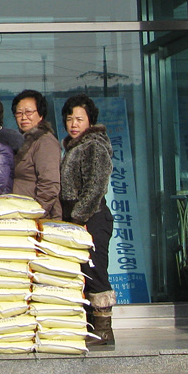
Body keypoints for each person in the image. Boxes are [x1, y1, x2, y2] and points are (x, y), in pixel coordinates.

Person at [60, 93, 116, 345]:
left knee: (94, 269)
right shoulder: (73, 146)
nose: (73, 123)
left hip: (91, 217)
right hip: (77, 218)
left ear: (90, 122)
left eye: (79, 119)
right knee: (82, 271)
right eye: (70, 118)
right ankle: (90, 327)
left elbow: (95, 187)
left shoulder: (94, 145)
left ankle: (104, 331)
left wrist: (79, 218)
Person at [11, 89, 62, 220]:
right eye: (19, 113)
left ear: (40, 114)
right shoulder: (20, 140)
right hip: (19, 215)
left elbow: (50, 185)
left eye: (28, 112)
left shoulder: (45, 141)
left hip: (36, 219)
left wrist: (35, 214)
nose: (23, 117)